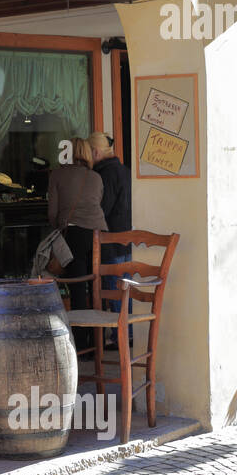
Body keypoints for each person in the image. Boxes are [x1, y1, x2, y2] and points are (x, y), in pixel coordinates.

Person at [47, 138, 107, 321]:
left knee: (77, 287)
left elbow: (52, 213)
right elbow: (97, 203)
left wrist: (59, 226)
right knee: (97, 285)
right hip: (100, 235)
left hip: (74, 235)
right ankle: (99, 339)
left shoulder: (57, 175)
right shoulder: (96, 177)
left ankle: (81, 342)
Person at [90, 131, 133, 346]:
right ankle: (128, 333)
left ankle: (119, 336)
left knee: (115, 289)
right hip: (126, 238)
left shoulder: (103, 175)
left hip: (110, 240)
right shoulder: (124, 171)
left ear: (96, 152)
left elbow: (102, 209)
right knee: (126, 288)